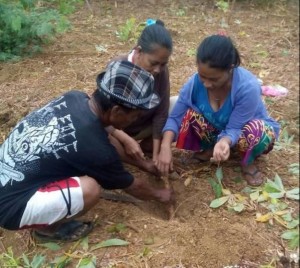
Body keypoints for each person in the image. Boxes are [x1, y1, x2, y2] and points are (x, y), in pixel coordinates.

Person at [0, 60, 175, 242]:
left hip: (7, 176)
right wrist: (160, 195)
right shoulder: (97, 150)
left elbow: (106, 135)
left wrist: (144, 165)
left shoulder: (75, 97)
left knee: (103, 138)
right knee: (89, 190)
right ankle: (47, 231)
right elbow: (132, 186)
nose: (136, 119)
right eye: (135, 115)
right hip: (11, 208)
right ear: (116, 111)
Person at [156, 35, 280, 186]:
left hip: (243, 131)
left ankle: (247, 161)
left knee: (256, 131)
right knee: (190, 116)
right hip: (217, 128)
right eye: (203, 77)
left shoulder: (247, 88)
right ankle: (209, 149)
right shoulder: (194, 83)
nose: (207, 84)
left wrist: (225, 140)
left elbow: (235, 127)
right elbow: (175, 117)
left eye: (214, 79)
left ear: (231, 68)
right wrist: (165, 146)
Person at [106, 19, 174, 176]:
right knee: (101, 135)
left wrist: (157, 155)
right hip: (116, 131)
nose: (158, 69)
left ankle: (148, 148)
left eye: (163, 64)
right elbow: (102, 115)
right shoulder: (117, 66)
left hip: (142, 127)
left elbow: (161, 112)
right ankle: (135, 160)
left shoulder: (161, 71)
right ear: (138, 51)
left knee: (177, 106)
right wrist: (126, 140)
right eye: (153, 63)